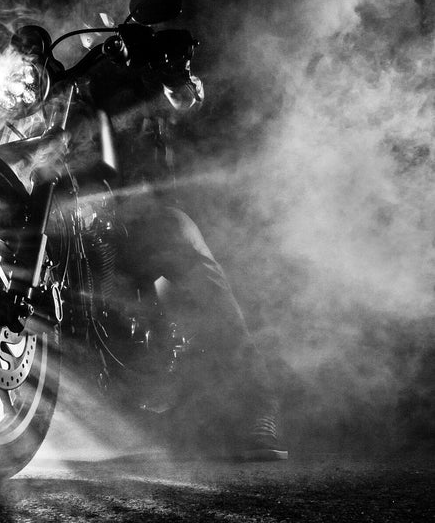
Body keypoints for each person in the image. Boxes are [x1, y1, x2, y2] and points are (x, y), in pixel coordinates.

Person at [80, 23, 288, 461]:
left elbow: (186, 97)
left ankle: (256, 404)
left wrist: (170, 69)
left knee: (180, 240)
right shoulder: (68, 87)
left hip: (139, 220)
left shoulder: (146, 79)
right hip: (73, 226)